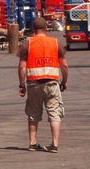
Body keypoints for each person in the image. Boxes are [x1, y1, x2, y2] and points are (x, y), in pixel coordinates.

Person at [18, 17, 68, 153]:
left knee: (33, 114)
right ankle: (54, 144)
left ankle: (32, 143)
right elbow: (64, 65)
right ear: (46, 29)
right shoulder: (55, 42)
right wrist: (64, 82)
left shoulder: (27, 43)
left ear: (33, 30)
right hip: (52, 83)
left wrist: (21, 85)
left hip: (33, 84)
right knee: (54, 113)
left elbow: (22, 67)